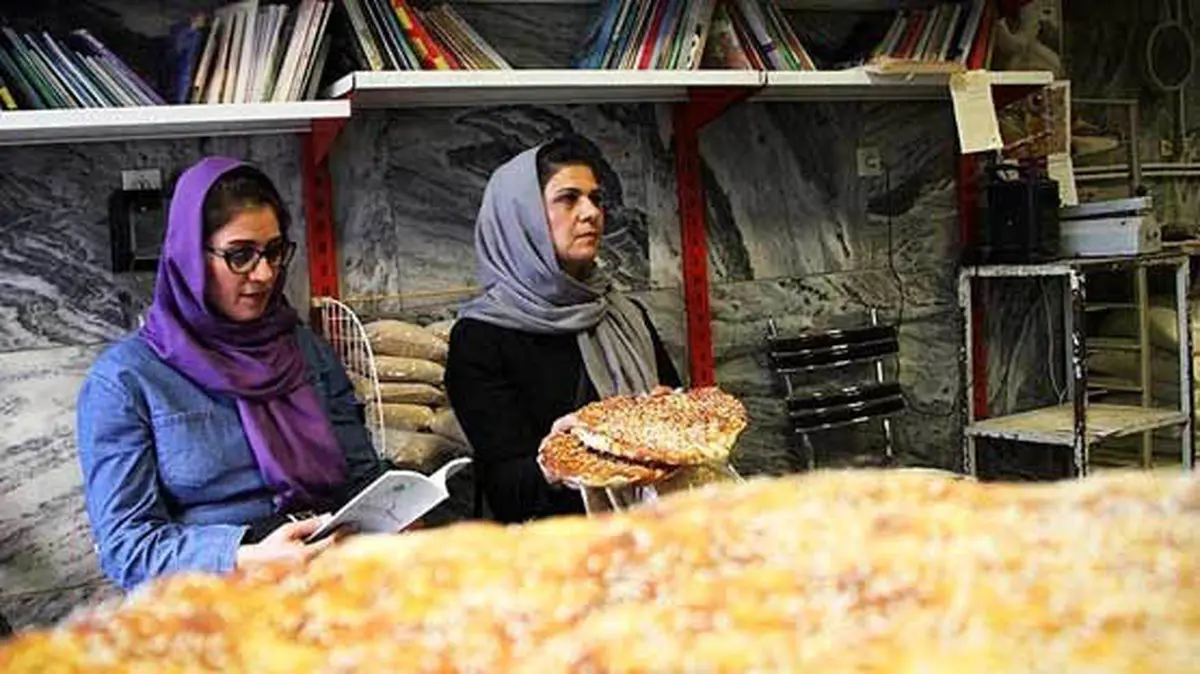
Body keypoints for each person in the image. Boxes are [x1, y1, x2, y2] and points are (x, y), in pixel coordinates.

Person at [76, 157, 387, 590]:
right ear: (190, 257)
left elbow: (361, 476)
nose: (264, 274)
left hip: (329, 582)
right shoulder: (126, 381)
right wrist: (241, 558)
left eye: (274, 252)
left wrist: (396, 511)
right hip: (214, 598)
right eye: (240, 255)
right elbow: (126, 547)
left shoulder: (304, 350)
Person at [446, 136, 681, 524]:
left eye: (595, 199)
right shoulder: (481, 338)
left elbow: (674, 412)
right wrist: (555, 462)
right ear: (522, 219)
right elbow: (506, 490)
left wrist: (673, 418)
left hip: (656, 532)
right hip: (560, 548)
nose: (591, 213)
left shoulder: (625, 314)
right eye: (569, 199)